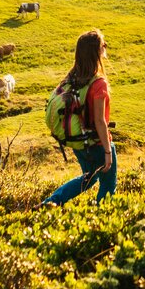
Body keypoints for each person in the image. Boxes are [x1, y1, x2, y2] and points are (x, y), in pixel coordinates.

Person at [43, 29, 116, 205]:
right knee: (108, 186)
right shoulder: (98, 83)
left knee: (88, 178)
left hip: (80, 142)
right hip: (97, 143)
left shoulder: (71, 77)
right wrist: (108, 151)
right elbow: (100, 121)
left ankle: (51, 203)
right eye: (103, 45)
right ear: (95, 52)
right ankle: (103, 217)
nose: (105, 47)